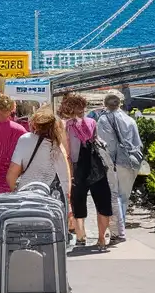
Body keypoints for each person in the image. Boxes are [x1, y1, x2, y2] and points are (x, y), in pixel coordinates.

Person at [60, 93, 113, 250]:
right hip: (96, 169)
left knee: (78, 204)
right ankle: (102, 239)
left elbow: (67, 153)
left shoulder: (65, 126)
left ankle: (81, 236)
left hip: (77, 170)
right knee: (103, 203)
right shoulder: (91, 122)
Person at [95, 91, 144, 244]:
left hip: (114, 163)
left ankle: (119, 232)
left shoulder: (103, 120)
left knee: (114, 197)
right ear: (120, 103)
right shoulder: (130, 120)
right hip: (131, 162)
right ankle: (120, 230)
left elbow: (104, 145)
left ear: (105, 103)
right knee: (124, 197)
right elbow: (138, 144)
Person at [7, 105, 71, 201]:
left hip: (27, 197)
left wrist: (16, 192)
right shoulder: (58, 145)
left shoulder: (26, 139)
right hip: (52, 201)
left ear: (35, 125)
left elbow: (11, 174)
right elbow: (65, 177)